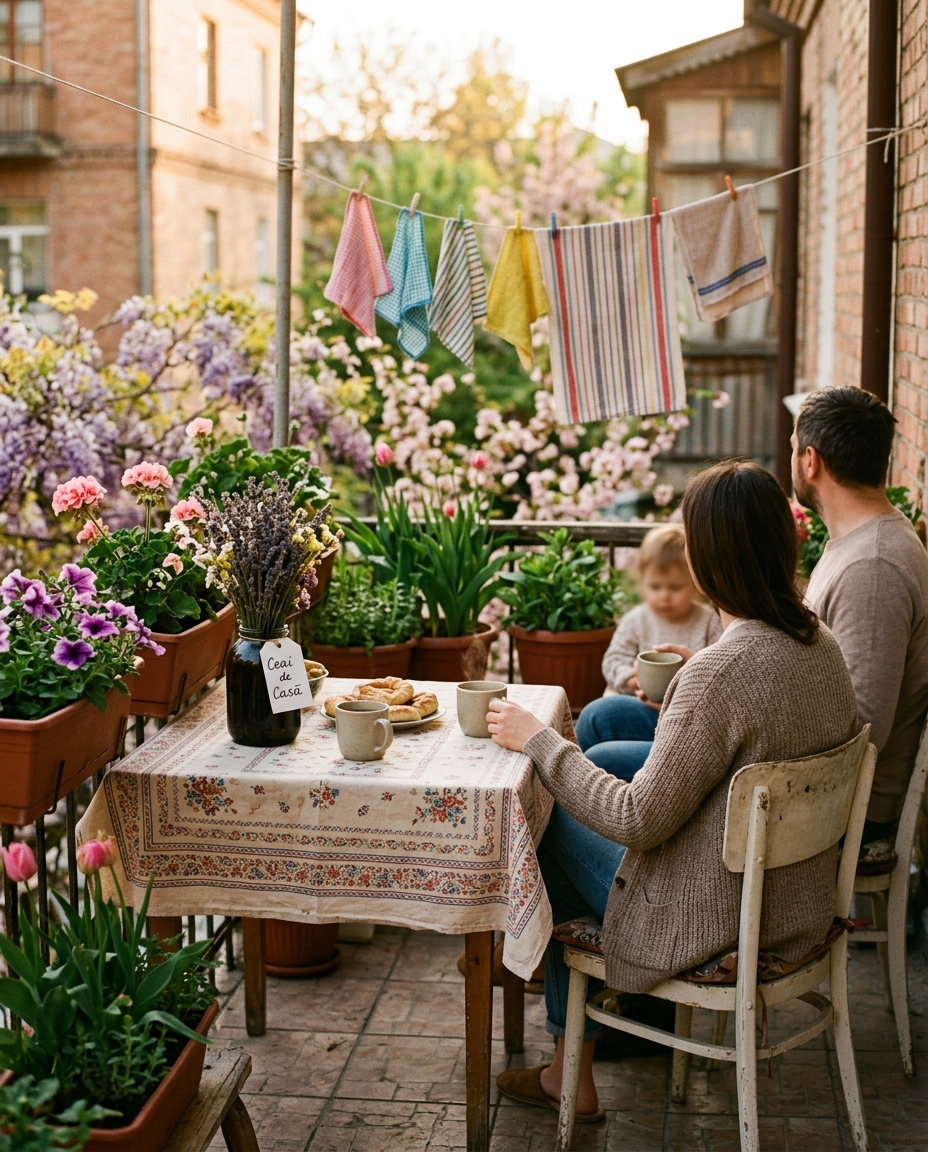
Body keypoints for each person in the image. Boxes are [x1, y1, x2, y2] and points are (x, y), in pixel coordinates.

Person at [488, 461, 857, 1122]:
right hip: (794, 900)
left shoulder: (722, 672)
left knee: (549, 810)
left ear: (708, 561)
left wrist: (539, 742)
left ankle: (566, 1062)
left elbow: (637, 819)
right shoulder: (820, 643)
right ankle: (576, 1010)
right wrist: (691, 679)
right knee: (603, 754)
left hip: (718, 918)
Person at [792, 387, 928, 871]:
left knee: (610, 749)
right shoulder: (858, 544)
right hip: (810, 788)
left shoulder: (872, 568)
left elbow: (861, 727)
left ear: (811, 461)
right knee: (612, 722)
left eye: (793, 447)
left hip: (841, 813)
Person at [576, 523, 722, 781]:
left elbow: (720, 668)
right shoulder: (637, 619)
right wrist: (631, 679)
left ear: (694, 582)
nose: (665, 596)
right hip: (645, 706)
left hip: (687, 715)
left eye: (675, 587)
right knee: (593, 714)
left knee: (601, 753)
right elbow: (613, 660)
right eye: (655, 587)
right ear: (643, 581)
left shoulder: (709, 621)